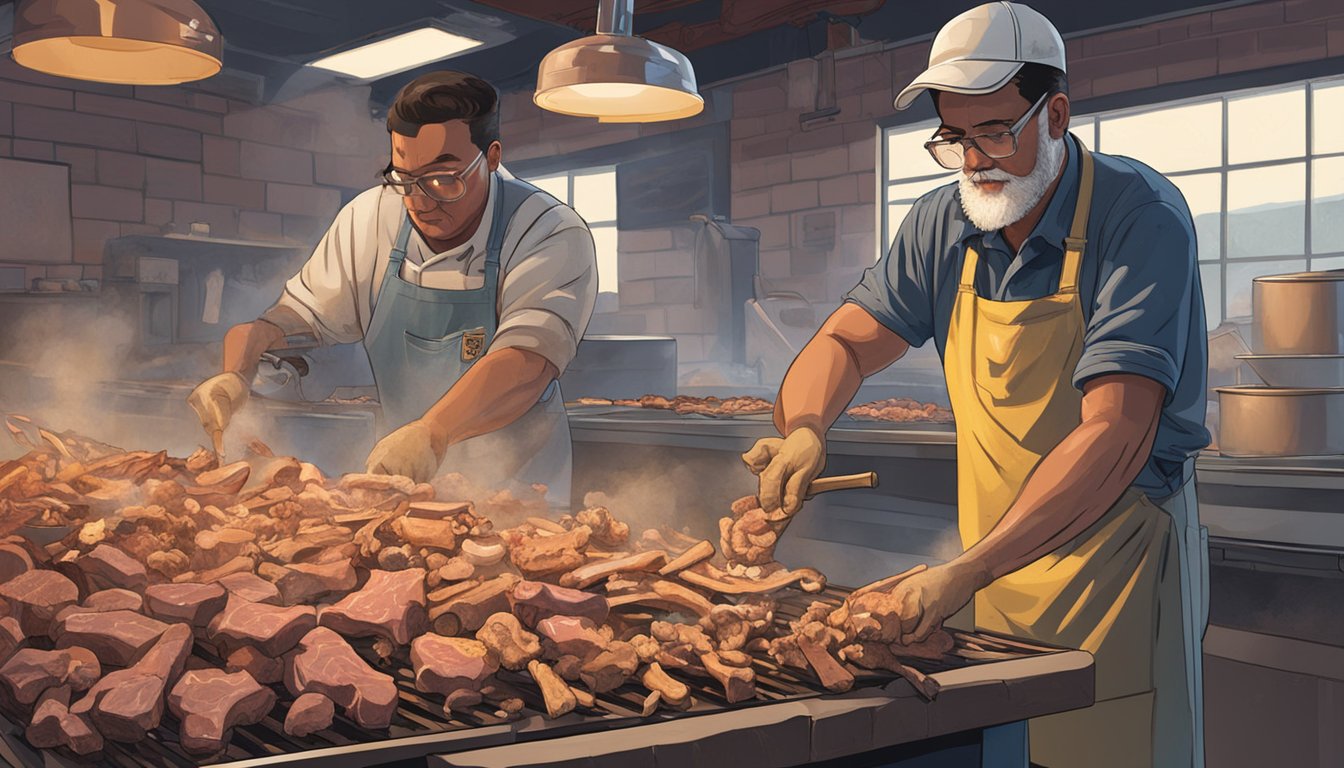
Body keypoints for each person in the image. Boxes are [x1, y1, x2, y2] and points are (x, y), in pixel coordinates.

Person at [743, 3, 1210, 766]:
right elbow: (845, 343)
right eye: (952, 137)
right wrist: (805, 428)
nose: (972, 161)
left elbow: (1116, 431)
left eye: (995, 132)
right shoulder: (944, 223)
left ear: (1055, 114)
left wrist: (965, 568)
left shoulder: (1140, 215)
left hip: (1114, 569)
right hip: (991, 571)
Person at [187, 71, 597, 505]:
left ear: (491, 157)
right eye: (404, 177)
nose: (419, 201)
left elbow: (528, 360)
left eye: (443, 179)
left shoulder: (547, 229)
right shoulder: (371, 218)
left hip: (521, 490)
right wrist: (237, 370)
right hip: (402, 478)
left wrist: (432, 432)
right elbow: (292, 319)